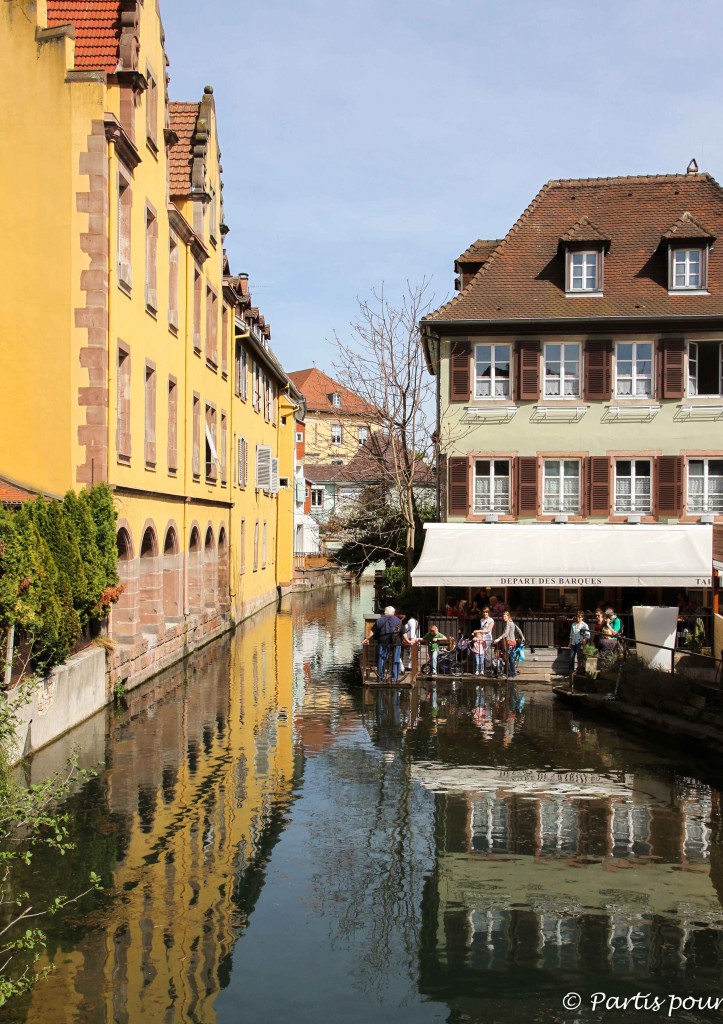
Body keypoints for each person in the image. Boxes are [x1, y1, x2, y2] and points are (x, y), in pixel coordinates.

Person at [364, 605, 403, 681]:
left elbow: (373, 630)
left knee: (381, 658)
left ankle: (380, 677)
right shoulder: (398, 621)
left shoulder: (380, 620)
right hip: (396, 642)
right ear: (393, 612)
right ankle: (395, 677)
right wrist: (408, 641)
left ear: (385, 612)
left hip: (382, 641)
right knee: (396, 659)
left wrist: (367, 638)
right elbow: (403, 632)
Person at [494, 611, 525, 678]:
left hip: (509, 643)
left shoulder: (508, 623)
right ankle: (513, 673)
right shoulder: (512, 622)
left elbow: (506, 633)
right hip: (513, 643)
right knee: (511, 658)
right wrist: (522, 636)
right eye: (503, 616)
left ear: (508, 616)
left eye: (505, 616)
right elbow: (518, 629)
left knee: (507, 659)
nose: (504, 617)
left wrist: (498, 639)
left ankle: (509, 673)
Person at [568, 609, 590, 675]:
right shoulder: (573, 624)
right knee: (571, 657)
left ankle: (579, 671)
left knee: (579, 657)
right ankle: (570, 671)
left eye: (579, 617)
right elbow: (571, 634)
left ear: (582, 617)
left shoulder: (584, 625)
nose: (578, 618)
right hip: (573, 642)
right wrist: (570, 642)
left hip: (579, 643)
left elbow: (587, 635)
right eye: (577, 616)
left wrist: (584, 641)